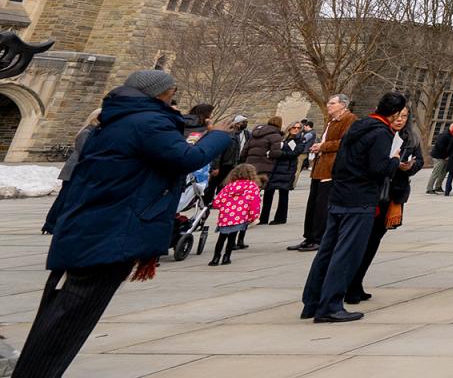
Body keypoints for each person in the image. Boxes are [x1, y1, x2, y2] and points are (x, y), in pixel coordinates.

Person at [21, 70, 241, 376]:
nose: (173, 99)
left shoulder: (123, 118)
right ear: (157, 94)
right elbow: (187, 158)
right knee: (71, 315)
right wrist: (218, 134)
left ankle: (34, 369)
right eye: (170, 92)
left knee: (65, 311)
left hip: (95, 224)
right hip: (109, 230)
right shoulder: (147, 122)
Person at [300, 92, 407, 323]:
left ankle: (312, 301)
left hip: (340, 195)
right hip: (360, 199)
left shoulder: (357, 126)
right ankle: (330, 306)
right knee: (346, 253)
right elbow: (379, 168)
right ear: (395, 113)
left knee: (327, 250)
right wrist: (395, 160)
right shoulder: (381, 133)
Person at [347, 104, 423, 305]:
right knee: (360, 240)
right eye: (397, 115)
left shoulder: (411, 139)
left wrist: (409, 167)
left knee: (373, 241)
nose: (400, 120)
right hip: (370, 194)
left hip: (392, 195)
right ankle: (348, 283)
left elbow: (420, 162)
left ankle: (356, 282)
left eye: (404, 116)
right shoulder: (378, 134)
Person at [291, 95, 355, 253]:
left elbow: (345, 142)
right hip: (320, 166)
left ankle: (319, 237)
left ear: (343, 105)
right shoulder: (331, 120)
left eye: (332, 103)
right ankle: (309, 236)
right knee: (313, 203)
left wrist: (323, 146)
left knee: (322, 205)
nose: (328, 105)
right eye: (329, 102)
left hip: (331, 167)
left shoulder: (350, 120)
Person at [237, 116, 284, 247]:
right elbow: (276, 153)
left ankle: (239, 220)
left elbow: (244, 151)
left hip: (249, 167)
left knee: (244, 196)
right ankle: (249, 219)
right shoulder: (275, 136)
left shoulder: (255, 134)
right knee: (254, 195)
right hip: (264, 168)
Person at [208, 163, 265, 266]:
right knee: (232, 237)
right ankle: (226, 257)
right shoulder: (252, 187)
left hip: (225, 216)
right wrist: (253, 216)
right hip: (240, 216)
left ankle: (215, 258)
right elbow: (255, 203)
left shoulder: (229, 186)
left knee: (221, 238)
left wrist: (224, 207)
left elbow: (217, 202)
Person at [264, 120, 301, 225]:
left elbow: (294, 154)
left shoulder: (299, 140)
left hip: (287, 169)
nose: (296, 130)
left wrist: (278, 153)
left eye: (298, 128)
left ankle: (280, 218)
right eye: (294, 127)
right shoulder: (282, 138)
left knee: (283, 194)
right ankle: (263, 217)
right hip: (275, 168)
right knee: (268, 192)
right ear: (290, 128)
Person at [426, 121, 453, 194]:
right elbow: (440, 147)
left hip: (446, 157)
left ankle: (438, 187)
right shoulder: (444, 135)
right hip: (439, 157)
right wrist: (445, 156)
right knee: (436, 172)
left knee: (443, 173)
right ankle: (429, 188)